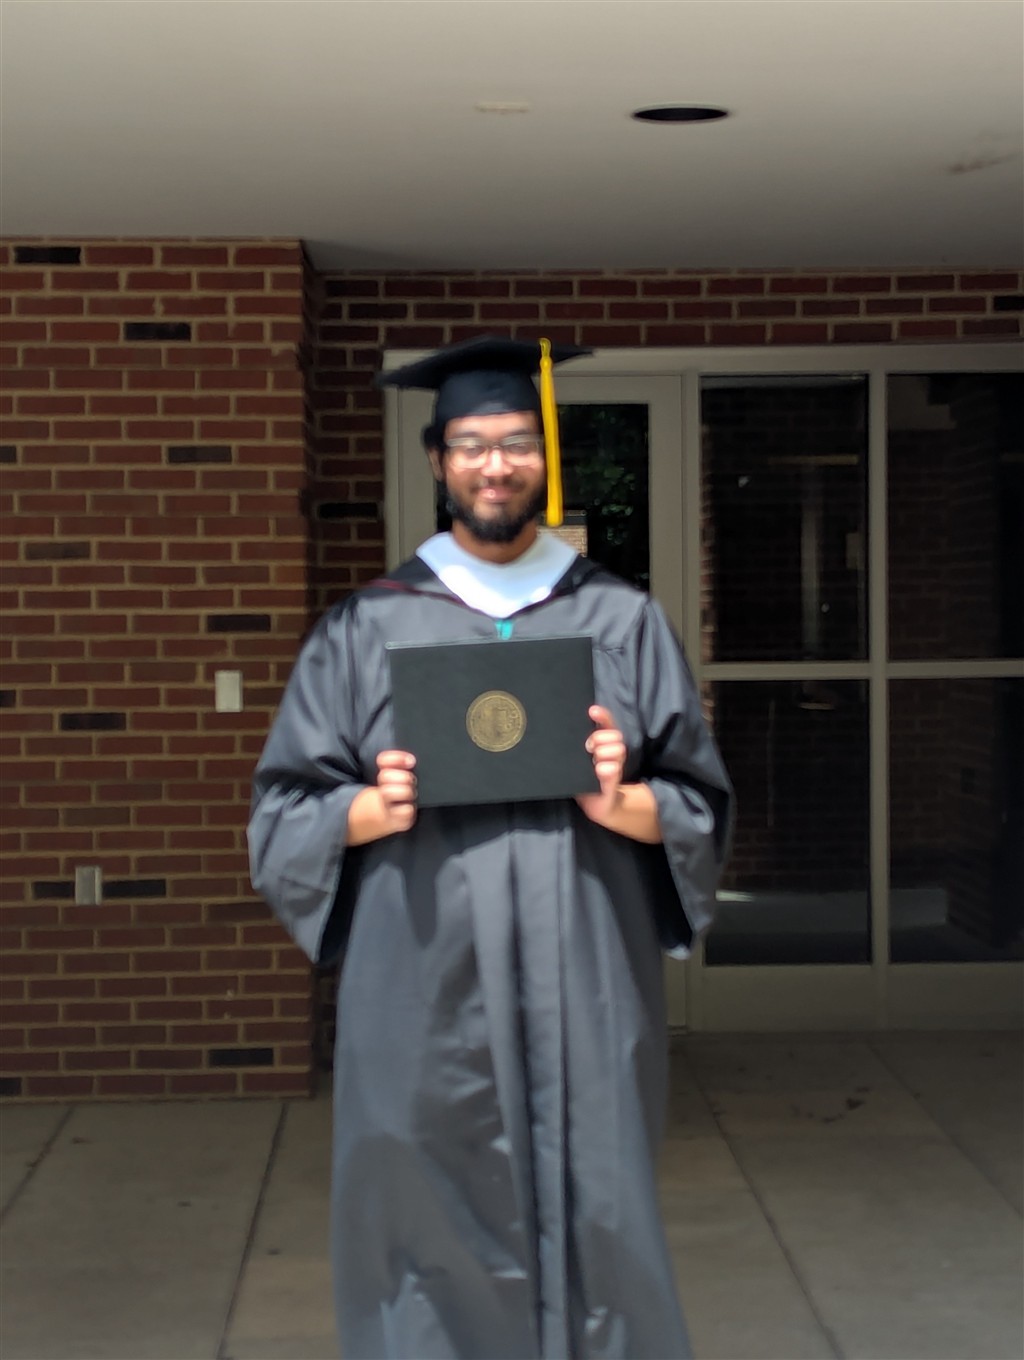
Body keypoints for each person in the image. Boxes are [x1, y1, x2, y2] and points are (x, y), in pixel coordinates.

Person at [248, 336, 733, 1360]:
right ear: (438, 460)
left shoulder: (620, 618)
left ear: (544, 459)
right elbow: (283, 811)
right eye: (471, 445)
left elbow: (697, 799)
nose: (495, 466)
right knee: (423, 1199)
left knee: (598, 1197)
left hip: (586, 974)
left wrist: (625, 802)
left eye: (516, 443)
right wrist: (366, 810)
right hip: (421, 981)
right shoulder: (366, 627)